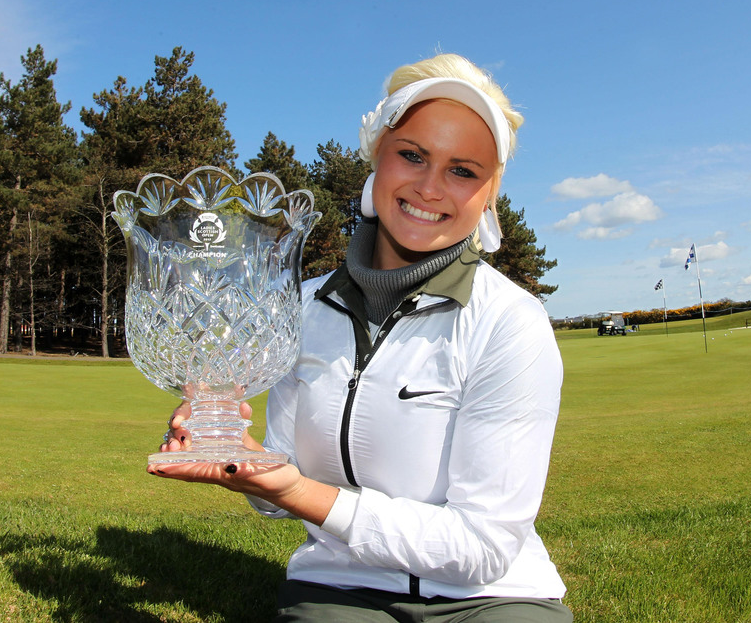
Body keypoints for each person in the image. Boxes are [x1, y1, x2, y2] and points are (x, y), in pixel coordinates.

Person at [151, 53, 570, 621]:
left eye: (463, 170)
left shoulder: (509, 320)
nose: (429, 187)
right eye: (413, 155)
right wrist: (237, 455)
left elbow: (483, 545)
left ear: (490, 192)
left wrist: (302, 494)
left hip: (492, 596)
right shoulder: (297, 306)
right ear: (377, 156)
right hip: (338, 586)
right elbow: (280, 486)